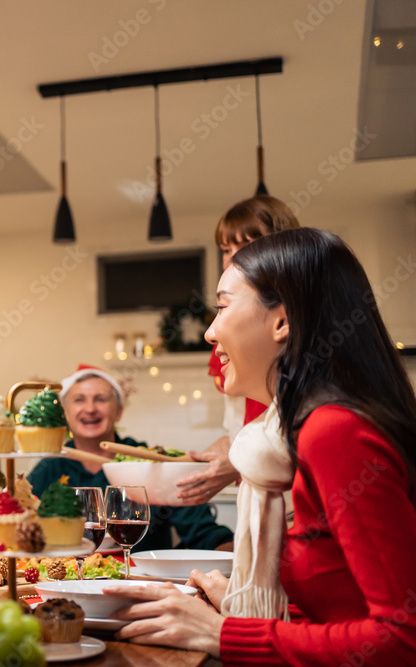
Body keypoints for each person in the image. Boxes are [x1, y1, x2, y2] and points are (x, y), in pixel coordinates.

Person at [107, 228, 416, 663]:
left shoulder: (335, 432)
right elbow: (335, 607)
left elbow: (403, 638)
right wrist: (235, 603)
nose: (211, 333)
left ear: (282, 321)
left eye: (222, 307)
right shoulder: (292, 433)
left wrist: (223, 634)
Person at [176, 195, 300, 506]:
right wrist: (228, 447)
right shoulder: (240, 335)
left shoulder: (290, 340)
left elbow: (286, 430)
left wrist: (238, 456)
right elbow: (245, 423)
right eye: (226, 250)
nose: (232, 258)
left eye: (247, 244)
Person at [27, 365, 233, 552]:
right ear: (65, 413)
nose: (90, 409)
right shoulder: (50, 466)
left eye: (100, 399)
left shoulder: (151, 462)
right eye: (79, 400)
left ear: (119, 411)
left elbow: (206, 535)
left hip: (144, 584)